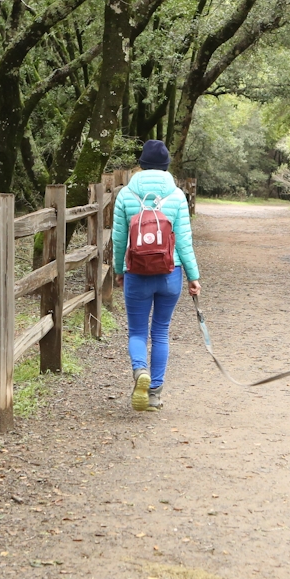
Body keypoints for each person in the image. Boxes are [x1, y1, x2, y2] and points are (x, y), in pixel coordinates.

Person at [112, 140, 201, 412]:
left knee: (138, 331)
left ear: (141, 164)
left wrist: (119, 270)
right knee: (160, 332)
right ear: (166, 166)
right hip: (169, 272)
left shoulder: (126, 194)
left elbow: (118, 240)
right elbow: (184, 241)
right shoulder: (175, 196)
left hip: (136, 273)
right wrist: (193, 277)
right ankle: (154, 394)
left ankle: (140, 371)